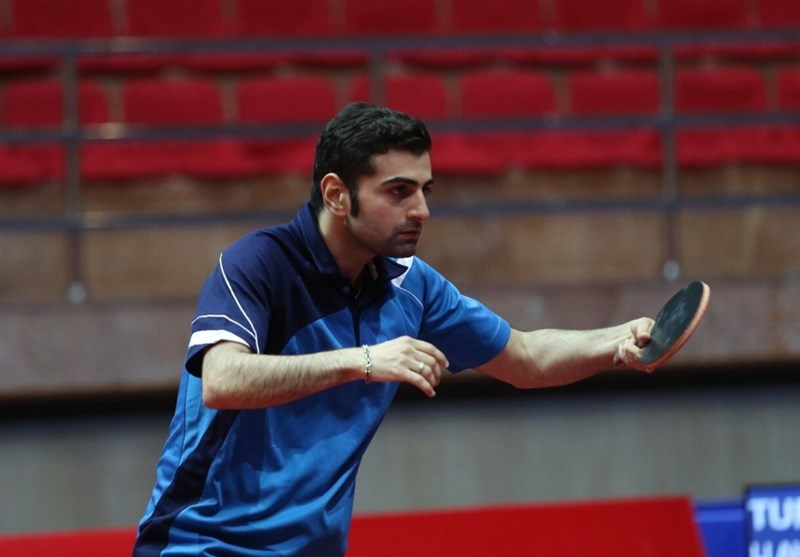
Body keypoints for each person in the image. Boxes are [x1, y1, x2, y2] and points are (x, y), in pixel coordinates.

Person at [133, 102, 655, 556]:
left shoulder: (412, 284)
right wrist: (363, 360)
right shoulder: (259, 264)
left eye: (425, 190)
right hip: (204, 545)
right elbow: (222, 380)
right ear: (337, 195)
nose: (421, 209)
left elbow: (526, 357)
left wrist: (615, 342)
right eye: (399, 191)